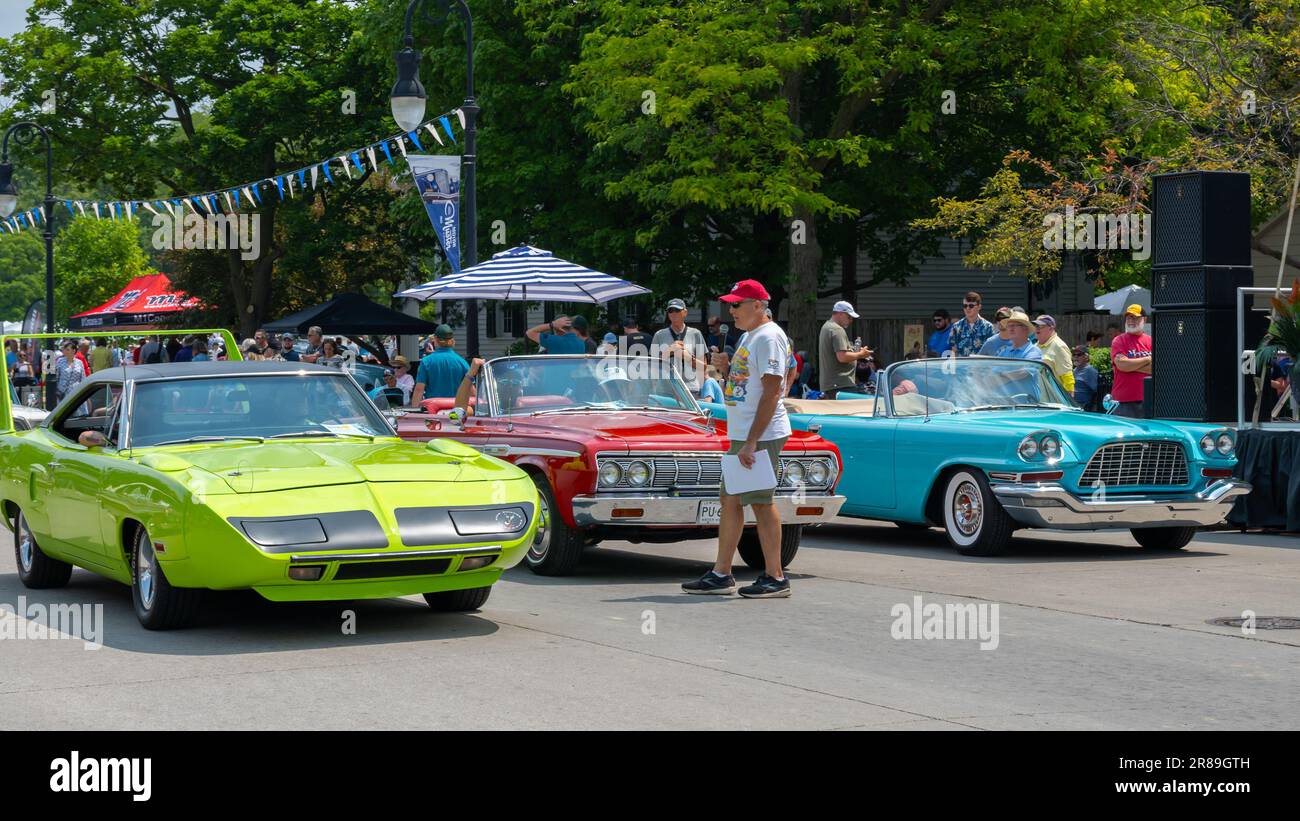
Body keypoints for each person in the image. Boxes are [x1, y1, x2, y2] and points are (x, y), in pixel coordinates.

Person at [682, 279, 793, 599]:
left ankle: (775, 576)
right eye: (730, 305)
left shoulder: (770, 337)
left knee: (760, 500)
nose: (731, 311)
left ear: (758, 305)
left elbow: (773, 391)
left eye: (737, 305)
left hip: (760, 434)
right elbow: (748, 385)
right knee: (730, 500)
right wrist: (726, 368)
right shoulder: (750, 336)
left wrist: (751, 441)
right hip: (745, 433)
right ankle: (721, 573)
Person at [817, 300, 872, 399]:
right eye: (849, 317)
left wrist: (857, 352)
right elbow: (842, 357)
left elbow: (839, 353)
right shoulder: (837, 330)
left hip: (833, 385)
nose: (851, 320)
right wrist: (862, 354)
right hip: (840, 385)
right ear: (841, 314)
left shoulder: (827, 326)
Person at [652, 298, 709, 391]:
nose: (674, 313)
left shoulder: (696, 334)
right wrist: (669, 351)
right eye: (670, 311)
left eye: (677, 310)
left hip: (690, 390)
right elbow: (652, 365)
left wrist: (687, 357)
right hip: (665, 390)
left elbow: (703, 367)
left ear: (685, 312)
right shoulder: (659, 335)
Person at [1110, 304, 1152, 418]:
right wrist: (1148, 359)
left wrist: (1131, 365)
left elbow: (1158, 368)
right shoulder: (1119, 340)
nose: (1131, 321)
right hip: (1123, 402)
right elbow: (1122, 365)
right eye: (1128, 318)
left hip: (1149, 400)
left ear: (1144, 319)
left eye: (1135, 317)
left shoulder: (1152, 340)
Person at [412, 324, 469, 404]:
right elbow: (470, 389)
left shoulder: (426, 361)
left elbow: (419, 390)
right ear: (452, 340)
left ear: (435, 339)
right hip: (455, 410)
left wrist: (414, 412)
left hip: (433, 411)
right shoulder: (462, 362)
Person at [1032, 315, 1075, 392]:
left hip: (1054, 399)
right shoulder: (1034, 346)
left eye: (1041, 326)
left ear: (1051, 328)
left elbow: (1067, 377)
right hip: (1037, 398)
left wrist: (1068, 400)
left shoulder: (1059, 346)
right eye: (1036, 325)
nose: (1037, 328)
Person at [949, 291, 995, 356]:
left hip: (981, 365)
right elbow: (954, 351)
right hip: (962, 365)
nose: (967, 308)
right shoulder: (956, 327)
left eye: (971, 306)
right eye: (965, 306)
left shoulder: (988, 327)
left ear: (979, 307)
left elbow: (991, 351)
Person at [1073, 345, 1100, 410]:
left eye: (1079, 354)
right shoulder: (1074, 370)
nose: (1076, 357)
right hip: (1072, 404)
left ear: (1086, 357)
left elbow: (1097, 392)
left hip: (1083, 407)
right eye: (1074, 354)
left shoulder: (1090, 370)